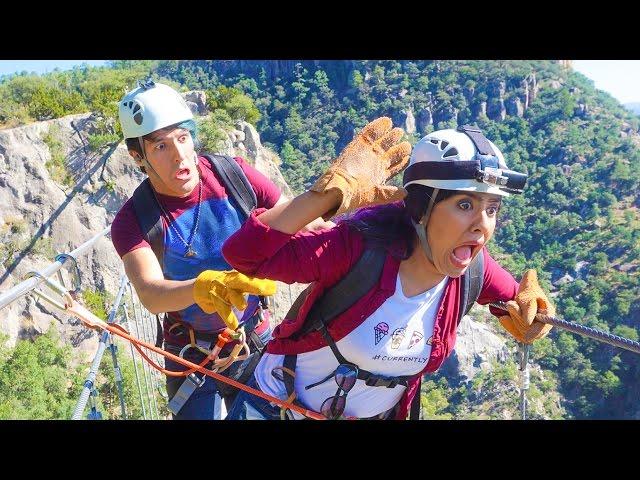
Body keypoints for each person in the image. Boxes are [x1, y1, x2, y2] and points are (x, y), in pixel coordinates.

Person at [221, 117, 555, 420]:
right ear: (421, 209)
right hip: (276, 408)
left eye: (492, 209)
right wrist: (325, 198)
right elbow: (245, 256)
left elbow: (520, 307)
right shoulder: (357, 250)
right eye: (465, 205)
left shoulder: (473, 271)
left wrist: (535, 312)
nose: (482, 225)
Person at [110, 80, 319, 419]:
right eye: (161, 146)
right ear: (139, 158)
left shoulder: (232, 175)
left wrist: (343, 210)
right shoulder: (134, 220)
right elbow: (150, 293)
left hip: (252, 339)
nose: (179, 155)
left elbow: (295, 218)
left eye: (182, 138)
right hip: (189, 352)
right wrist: (202, 288)